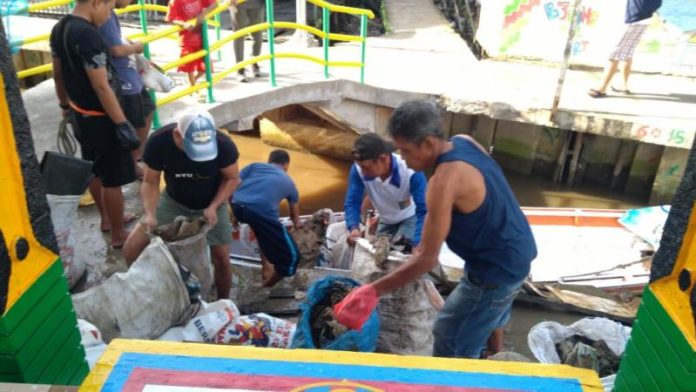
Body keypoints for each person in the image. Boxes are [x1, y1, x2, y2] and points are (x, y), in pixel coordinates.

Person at [333, 101, 537, 359]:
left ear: (429, 144)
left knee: (449, 336)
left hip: (495, 271)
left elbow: (427, 259)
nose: (403, 158)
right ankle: (493, 355)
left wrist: (371, 291)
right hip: (519, 248)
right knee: (491, 313)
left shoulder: (441, 183)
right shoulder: (465, 141)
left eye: (405, 151)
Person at [122, 109, 240, 300]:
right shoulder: (158, 141)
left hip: (211, 204)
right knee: (131, 249)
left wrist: (214, 205)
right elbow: (151, 181)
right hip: (173, 201)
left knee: (222, 260)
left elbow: (232, 178)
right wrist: (150, 213)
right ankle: (147, 292)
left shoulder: (223, 144)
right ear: (178, 134)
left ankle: (223, 303)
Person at [50, 0, 138, 248]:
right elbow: (101, 85)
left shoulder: (60, 28)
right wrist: (121, 123)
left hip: (79, 114)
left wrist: (64, 105)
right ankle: (119, 234)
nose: (109, 14)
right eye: (109, 8)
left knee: (94, 167)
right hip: (102, 118)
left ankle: (107, 220)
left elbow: (57, 73)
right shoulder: (89, 35)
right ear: (97, 2)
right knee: (113, 177)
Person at [98, 0, 156, 178]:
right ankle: (129, 163)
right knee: (132, 122)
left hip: (129, 77)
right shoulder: (104, 15)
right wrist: (136, 47)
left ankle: (134, 159)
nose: (131, 2)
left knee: (147, 111)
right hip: (123, 81)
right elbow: (115, 50)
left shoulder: (108, 13)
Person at [230, 149, 302, 288]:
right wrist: (297, 226)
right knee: (291, 258)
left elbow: (232, 184)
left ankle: (266, 270)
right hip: (259, 212)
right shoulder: (290, 182)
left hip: (238, 207)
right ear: (286, 166)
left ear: (269, 161)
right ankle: (266, 288)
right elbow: (295, 218)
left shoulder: (255, 166)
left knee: (262, 231)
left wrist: (234, 215)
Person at [344, 133, 427, 247]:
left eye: (366, 168)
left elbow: (424, 210)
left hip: (411, 216)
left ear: (383, 159)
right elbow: (353, 201)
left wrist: (417, 243)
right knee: (377, 254)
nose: (363, 172)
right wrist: (354, 228)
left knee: (400, 250)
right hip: (386, 219)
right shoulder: (358, 169)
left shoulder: (411, 171)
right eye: (361, 167)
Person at [588, 0, 661, 98]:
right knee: (627, 52)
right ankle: (623, 85)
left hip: (635, 18)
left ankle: (602, 88)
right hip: (643, 18)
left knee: (615, 53)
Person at [166, 0, 230, 99]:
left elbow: (215, 4)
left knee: (205, 65)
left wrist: (202, 14)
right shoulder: (175, 1)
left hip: (201, 36)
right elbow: (171, 18)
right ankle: (193, 89)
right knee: (189, 66)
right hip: (187, 38)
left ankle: (191, 83)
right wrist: (184, 24)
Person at [230, 0, 264, 82]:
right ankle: (240, 68)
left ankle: (254, 59)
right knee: (239, 36)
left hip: (257, 4)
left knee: (258, 35)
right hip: (238, 4)